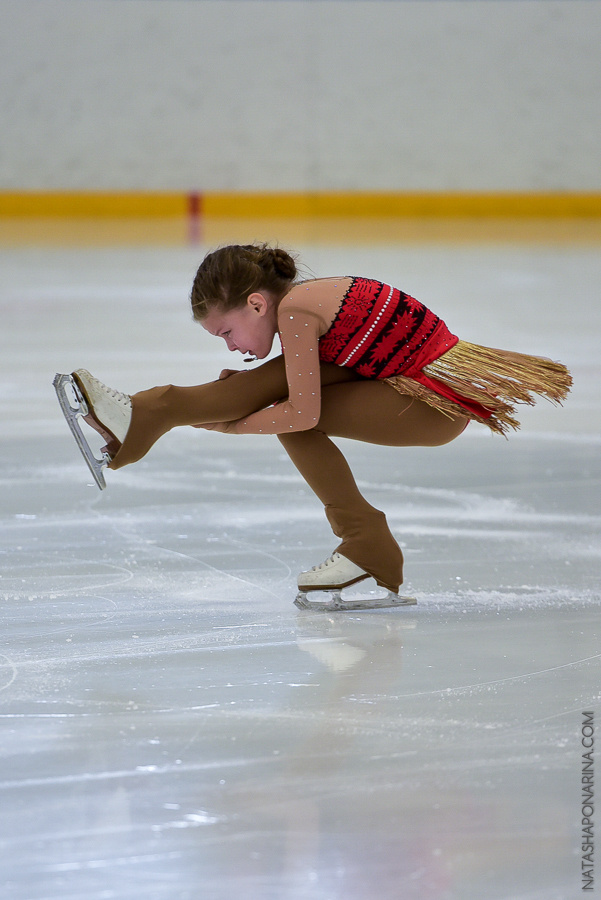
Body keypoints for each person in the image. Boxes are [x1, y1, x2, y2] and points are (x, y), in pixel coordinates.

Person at [66, 243, 572, 600]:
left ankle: (367, 541)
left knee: (285, 412)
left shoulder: (298, 312)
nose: (231, 346)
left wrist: (233, 424)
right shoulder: (310, 299)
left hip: (429, 407)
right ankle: (148, 412)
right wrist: (238, 400)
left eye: (226, 331)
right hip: (406, 385)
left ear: (257, 303)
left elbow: (301, 413)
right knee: (263, 385)